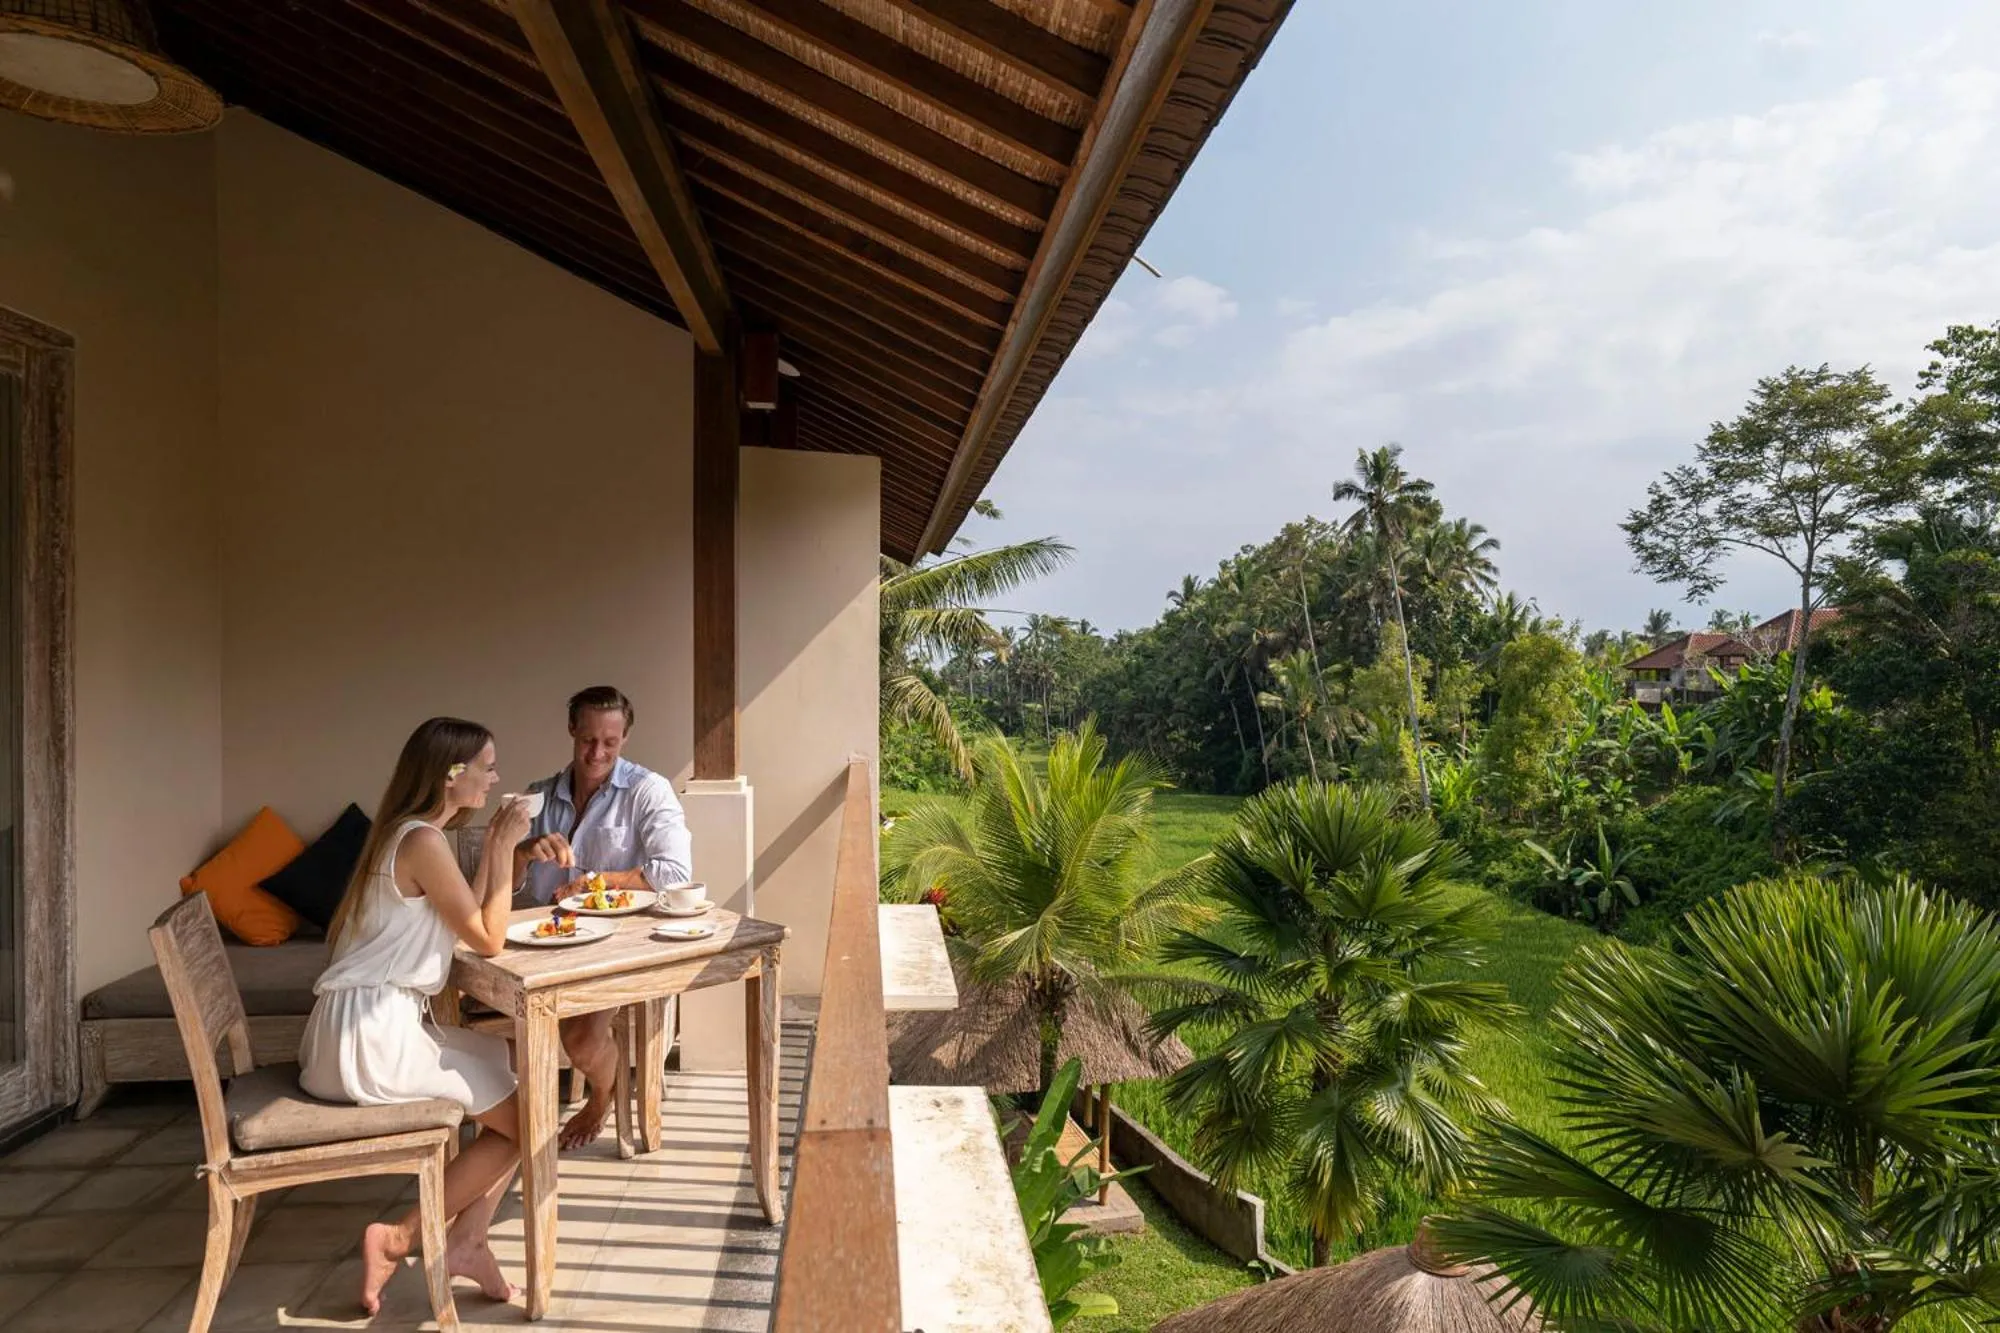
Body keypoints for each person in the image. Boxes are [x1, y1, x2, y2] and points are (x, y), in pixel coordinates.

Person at [298, 717, 533, 1315]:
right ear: (452, 775)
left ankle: (467, 1242)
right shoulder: (422, 842)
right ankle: (404, 1238)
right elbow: (487, 939)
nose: (494, 778)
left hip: (358, 1027)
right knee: (528, 1122)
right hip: (369, 1040)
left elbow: (467, 914)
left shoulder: (416, 835)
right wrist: (502, 849)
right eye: (486, 766)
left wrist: (499, 858)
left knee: (500, 1063)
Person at [515, 685, 692, 1149]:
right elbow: (507, 884)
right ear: (572, 730)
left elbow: (675, 873)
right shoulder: (539, 796)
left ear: (625, 739)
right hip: (545, 940)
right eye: (588, 740)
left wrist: (599, 882)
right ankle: (513, 1131)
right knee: (501, 1018)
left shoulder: (646, 791)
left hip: (615, 941)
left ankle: (603, 1094)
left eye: (609, 743)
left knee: (580, 1039)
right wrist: (520, 852)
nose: (597, 753)